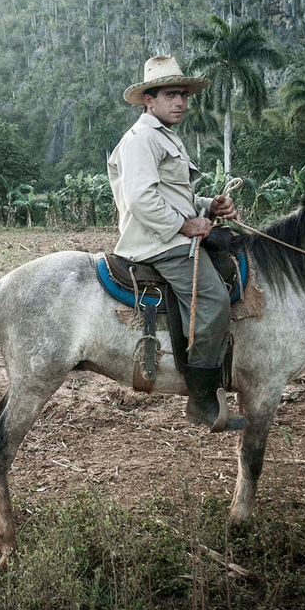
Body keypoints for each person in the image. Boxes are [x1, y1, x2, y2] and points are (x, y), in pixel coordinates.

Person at [107, 54, 247, 433]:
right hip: (155, 242)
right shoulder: (140, 140)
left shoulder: (166, 137)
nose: (180, 102)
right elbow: (140, 200)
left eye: (183, 95)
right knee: (213, 301)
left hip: (169, 234)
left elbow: (172, 195)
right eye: (171, 95)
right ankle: (201, 400)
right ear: (148, 100)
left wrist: (207, 207)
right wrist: (185, 226)